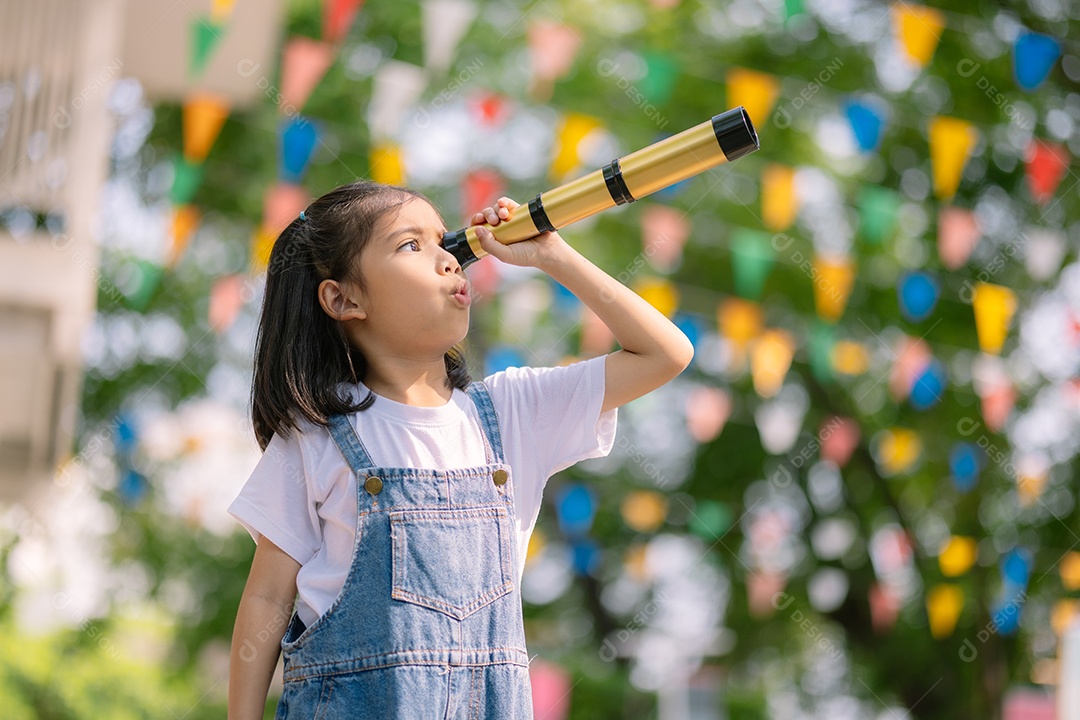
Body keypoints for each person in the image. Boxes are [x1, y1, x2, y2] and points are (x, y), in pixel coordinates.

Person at [226, 180, 693, 719]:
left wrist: (554, 257)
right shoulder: (316, 435)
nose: (448, 260)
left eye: (443, 242)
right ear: (343, 297)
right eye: (410, 245)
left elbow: (666, 353)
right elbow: (267, 599)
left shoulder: (513, 411)